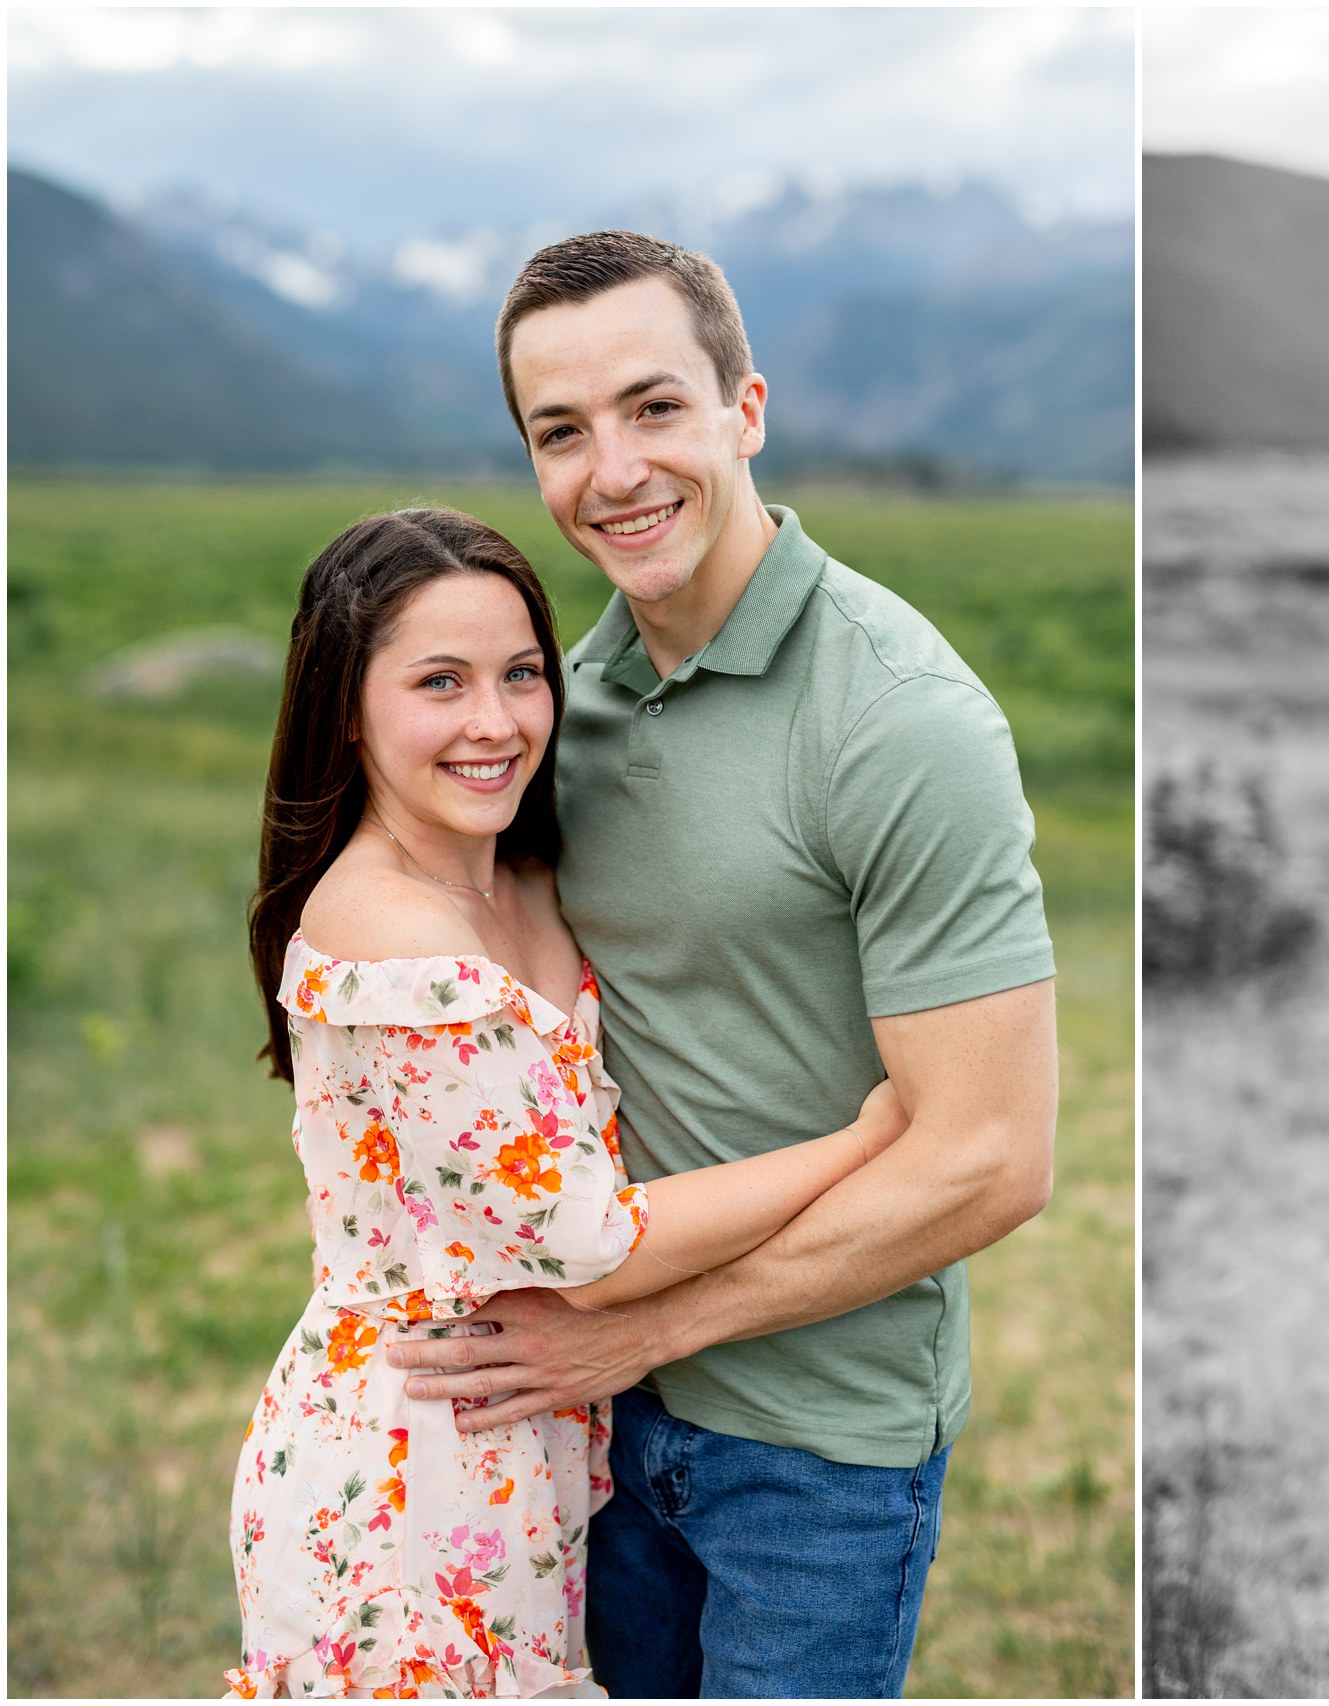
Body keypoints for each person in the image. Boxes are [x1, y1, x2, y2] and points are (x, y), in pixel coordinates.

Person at [385, 232, 1060, 1697]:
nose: (612, 470)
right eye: (561, 432)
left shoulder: (901, 719)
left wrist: (640, 1329)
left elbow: (991, 1160)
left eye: (654, 408)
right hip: (598, 1431)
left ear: (745, 410)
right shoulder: (565, 710)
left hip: (819, 1450)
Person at [231, 509, 912, 1697]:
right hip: (411, 1463)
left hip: (529, 1441)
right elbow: (588, 1242)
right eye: (439, 682)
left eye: (522, 674)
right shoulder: (388, 928)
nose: (495, 722)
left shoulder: (526, 873)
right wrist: (862, 1141)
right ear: (348, 704)